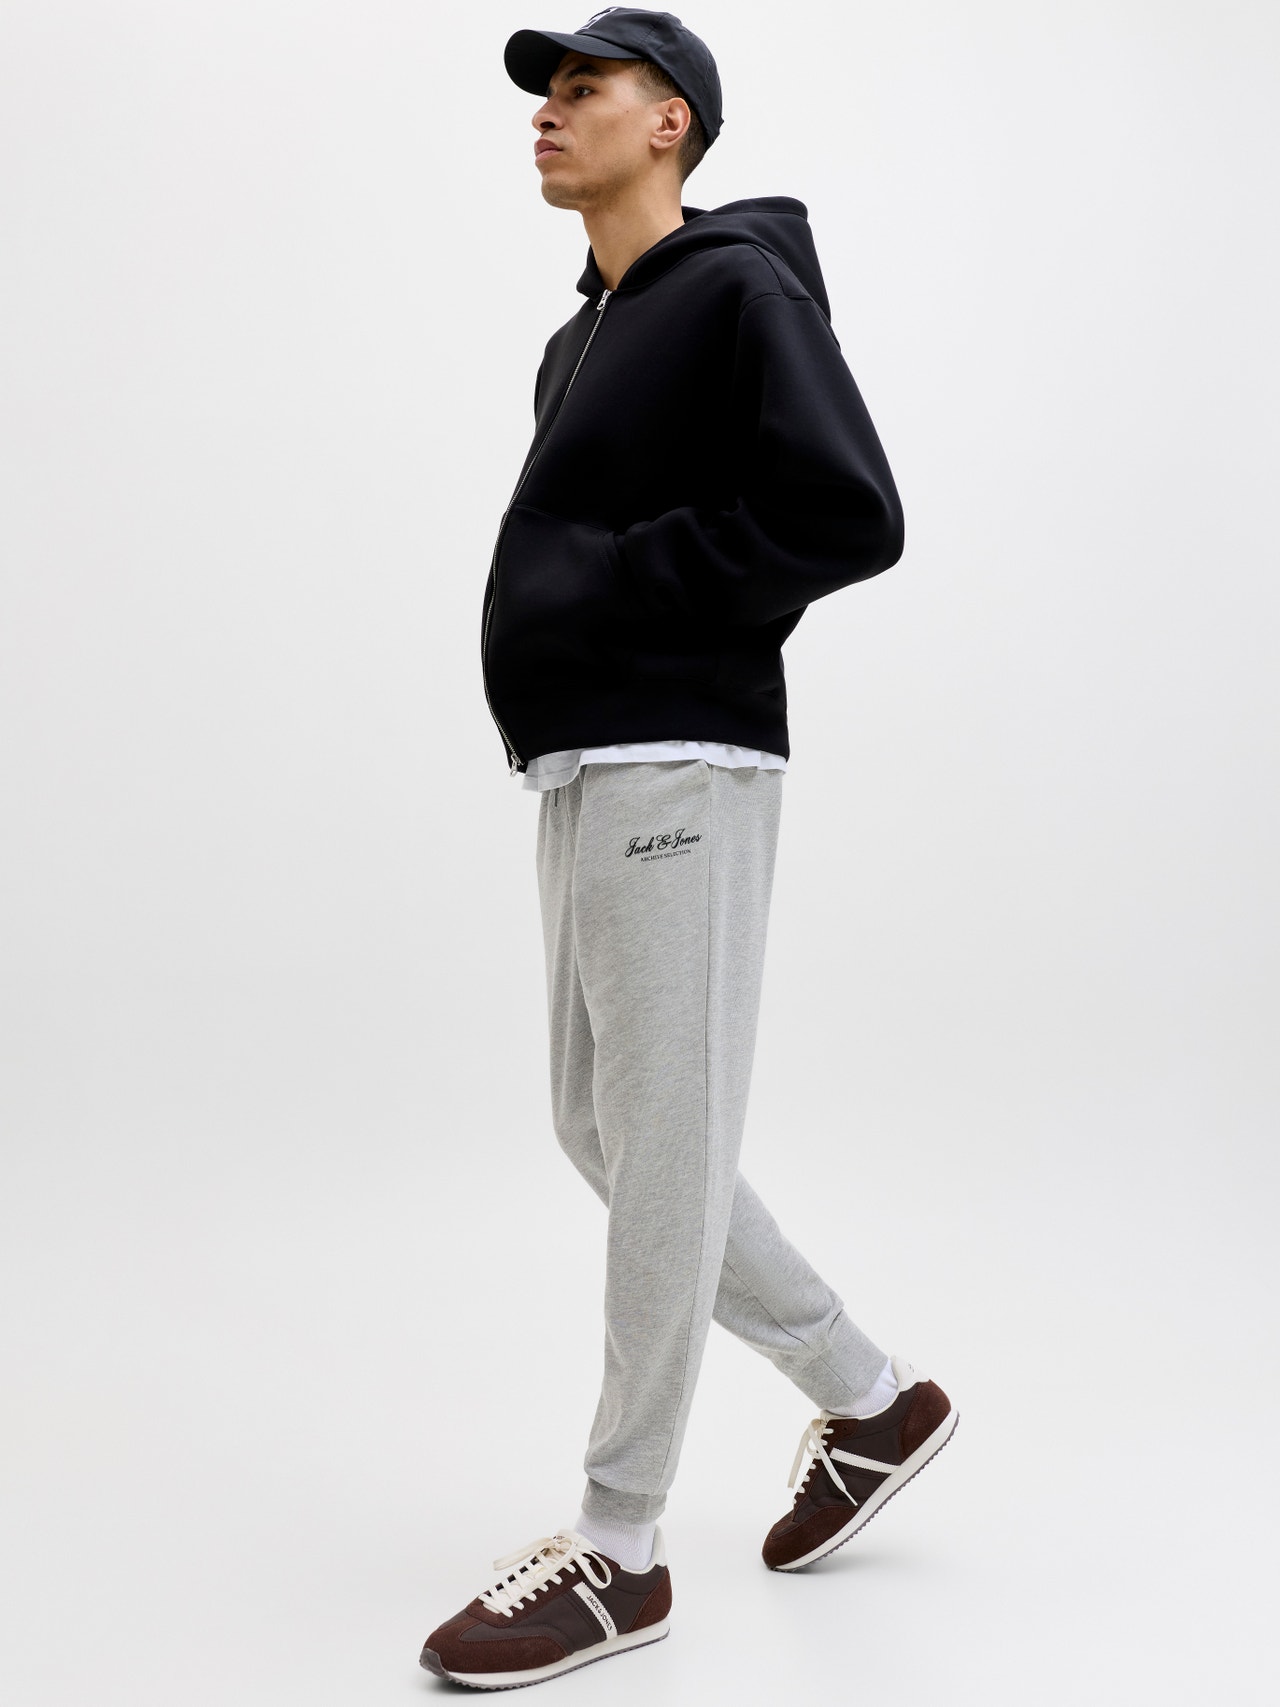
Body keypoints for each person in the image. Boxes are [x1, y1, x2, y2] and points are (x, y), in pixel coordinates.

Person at [420, 9, 957, 1689]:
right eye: (547, 92)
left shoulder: (737, 289)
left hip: (683, 755)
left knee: (658, 1143)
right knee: (603, 1126)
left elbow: (847, 509)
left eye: (586, 88)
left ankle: (622, 1544)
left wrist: (621, 588)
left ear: (673, 122)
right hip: (588, 758)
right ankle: (869, 1399)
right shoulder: (582, 337)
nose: (551, 112)